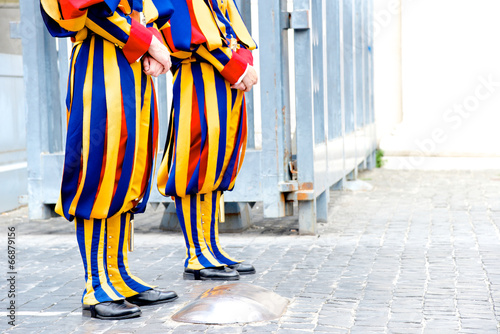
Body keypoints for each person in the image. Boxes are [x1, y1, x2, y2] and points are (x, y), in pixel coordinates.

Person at [40, 0, 177, 320]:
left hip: (133, 59)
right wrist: (150, 43)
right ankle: (97, 284)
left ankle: (118, 274)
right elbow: (89, 8)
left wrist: (154, 48)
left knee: (127, 170)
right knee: (99, 169)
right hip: (101, 57)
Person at [156, 0, 258, 280]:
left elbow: (229, 25)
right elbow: (189, 32)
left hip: (224, 77)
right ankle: (197, 252)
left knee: (218, 161)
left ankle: (211, 246)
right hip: (198, 74)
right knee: (196, 161)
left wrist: (243, 62)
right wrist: (235, 66)